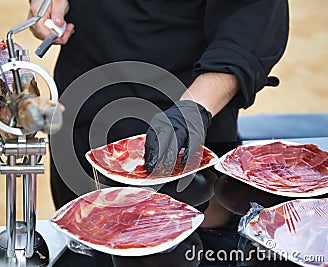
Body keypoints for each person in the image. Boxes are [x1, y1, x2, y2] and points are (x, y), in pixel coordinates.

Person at [28, 0, 289, 266]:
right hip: (84, 102)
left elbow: (251, 17)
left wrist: (193, 109)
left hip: (185, 117)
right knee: (89, 251)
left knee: (189, 252)